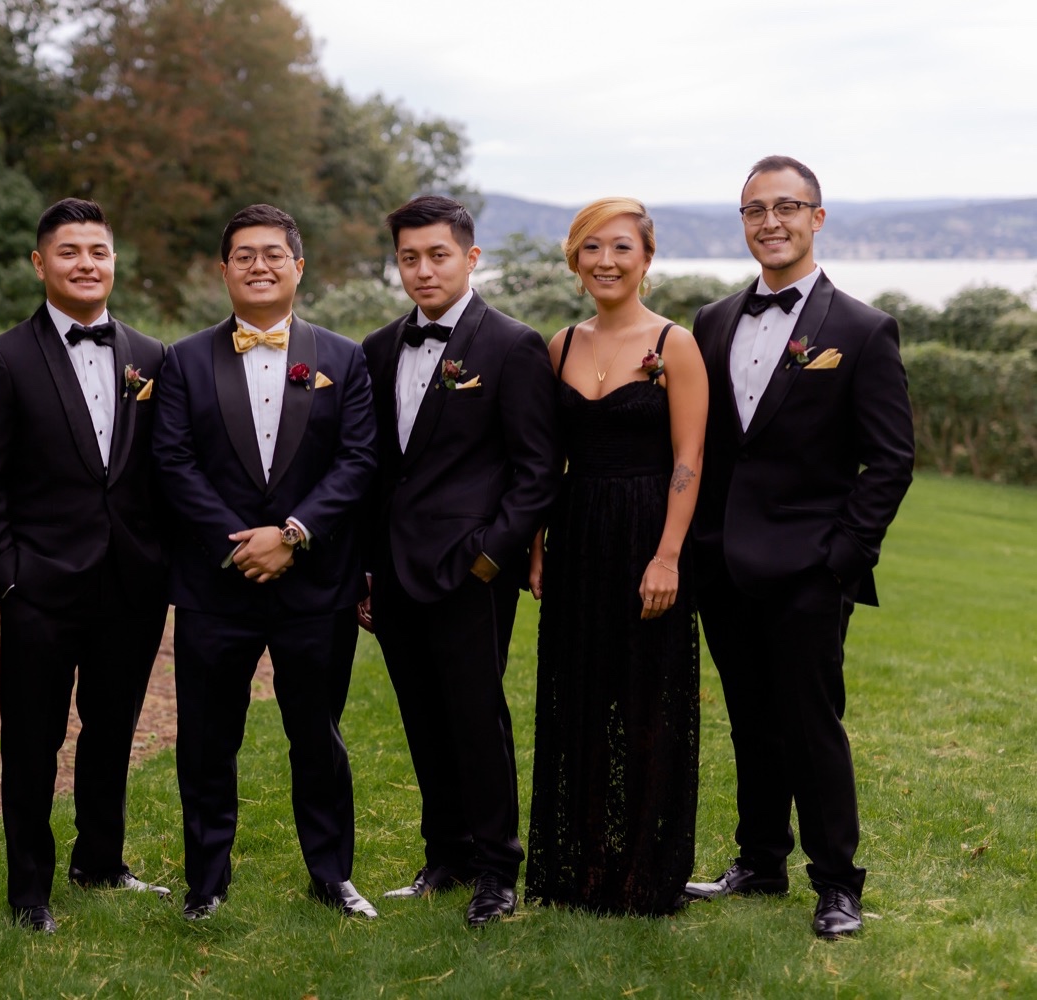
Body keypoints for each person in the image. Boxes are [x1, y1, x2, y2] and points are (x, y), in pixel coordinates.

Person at [684, 156, 915, 940]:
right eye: (755, 209)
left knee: (812, 725)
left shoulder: (860, 328)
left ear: (818, 217)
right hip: (723, 562)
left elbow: (890, 459)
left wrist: (843, 559)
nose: (770, 221)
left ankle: (837, 882)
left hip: (811, 567)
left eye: (787, 207)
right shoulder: (711, 322)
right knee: (751, 719)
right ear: (743, 222)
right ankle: (759, 860)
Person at [152, 204, 378, 921]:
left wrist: (294, 534)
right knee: (207, 741)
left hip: (316, 583)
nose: (259, 265)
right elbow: (174, 462)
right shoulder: (183, 359)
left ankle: (333, 874)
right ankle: (206, 883)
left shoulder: (343, 359)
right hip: (216, 585)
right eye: (244, 255)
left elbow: (358, 460)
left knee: (318, 736)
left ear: (298, 268)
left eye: (273, 254)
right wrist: (242, 543)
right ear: (223, 271)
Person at [0, 198, 171, 935]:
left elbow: (160, 474)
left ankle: (102, 862)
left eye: (99, 251)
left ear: (115, 262)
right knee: (32, 740)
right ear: (40, 263)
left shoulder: (152, 356)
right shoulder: (2, 358)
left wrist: (161, 564)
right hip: (39, 588)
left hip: (133, 586)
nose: (87, 263)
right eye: (71, 251)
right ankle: (29, 890)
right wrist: (8, 574)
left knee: (112, 731)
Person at [361, 195, 560, 927]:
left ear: (471, 258)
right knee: (422, 716)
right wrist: (365, 569)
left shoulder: (512, 345)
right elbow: (375, 470)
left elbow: (536, 471)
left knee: (476, 717)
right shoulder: (379, 349)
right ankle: (443, 856)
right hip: (395, 568)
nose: (422, 270)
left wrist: (489, 560)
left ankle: (497, 868)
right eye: (409, 257)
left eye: (436, 255)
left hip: (471, 572)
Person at [523, 198, 708, 916]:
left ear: (647, 259)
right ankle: (579, 866)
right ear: (575, 260)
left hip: (645, 535)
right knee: (577, 696)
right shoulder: (560, 346)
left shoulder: (676, 344)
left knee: (645, 701)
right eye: (591, 248)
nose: (606, 261)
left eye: (621, 248)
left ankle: (645, 871)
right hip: (577, 535)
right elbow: (546, 459)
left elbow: (690, 458)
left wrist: (668, 556)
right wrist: (538, 547)